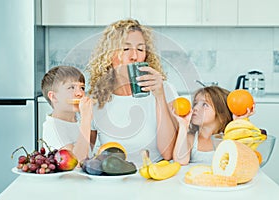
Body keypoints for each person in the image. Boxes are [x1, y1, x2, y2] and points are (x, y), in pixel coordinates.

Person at [87, 19, 179, 166]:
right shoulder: (96, 98)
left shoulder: (164, 89)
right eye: (126, 48)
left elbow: (167, 153)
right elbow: (84, 156)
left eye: (141, 49)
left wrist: (160, 97)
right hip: (113, 179)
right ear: (109, 54)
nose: (134, 56)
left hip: (154, 178)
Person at [41, 65, 93, 162]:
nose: (79, 93)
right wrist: (86, 118)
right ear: (54, 97)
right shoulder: (53, 127)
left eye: (82, 88)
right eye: (71, 88)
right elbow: (76, 162)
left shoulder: (77, 121)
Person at [172, 86, 233, 165]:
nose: (195, 108)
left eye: (204, 105)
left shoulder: (228, 139)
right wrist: (183, 125)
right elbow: (180, 161)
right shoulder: (191, 139)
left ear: (222, 115)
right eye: (195, 103)